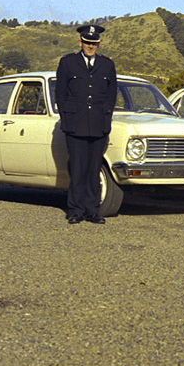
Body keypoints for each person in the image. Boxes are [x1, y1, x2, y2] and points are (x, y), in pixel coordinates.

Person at [55, 24, 117, 224]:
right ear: (80, 42)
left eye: (94, 43)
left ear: (99, 44)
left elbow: (111, 95)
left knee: (93, 169)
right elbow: (60, 93)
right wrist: (67, 117)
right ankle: (75, 210)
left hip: (98, 124)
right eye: (87, 42)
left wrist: (106, 117)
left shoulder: (107, 65)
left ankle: (92, 211)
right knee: (78, 168)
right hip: (76, 124)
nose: (91, 46)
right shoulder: (68, 63)